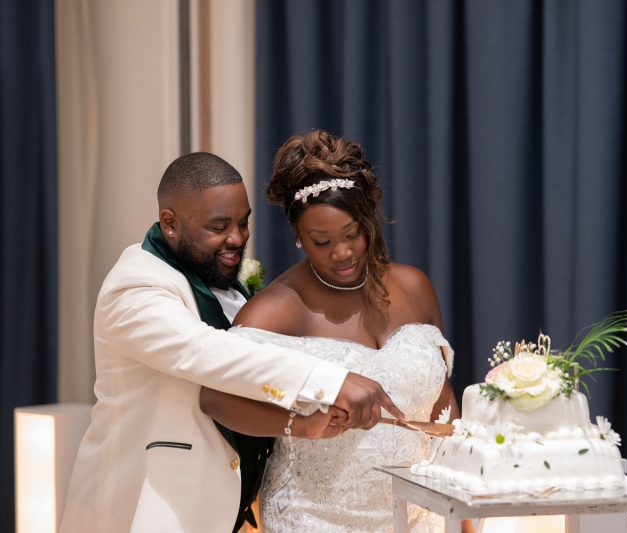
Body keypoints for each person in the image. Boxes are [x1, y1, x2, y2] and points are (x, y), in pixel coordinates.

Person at [60, 152, 404, 533]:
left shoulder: (223, 282)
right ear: (170, 223)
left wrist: (303, 423)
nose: (237, 239)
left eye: (243, 223)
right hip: (147, 511)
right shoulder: (134, 287)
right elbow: (206, 352)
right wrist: (331, 379)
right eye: (219, 227)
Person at [200, 130, 472, 532]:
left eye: (352, 234)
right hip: (316, 517)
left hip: (421, 518)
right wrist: (299, 425)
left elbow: (441, 403)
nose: (342, 252)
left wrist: (462, 518)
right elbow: (216, 397)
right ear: (298, 237)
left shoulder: (414, 287)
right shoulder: (276, 311)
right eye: (321, 241)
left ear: (369, 220)